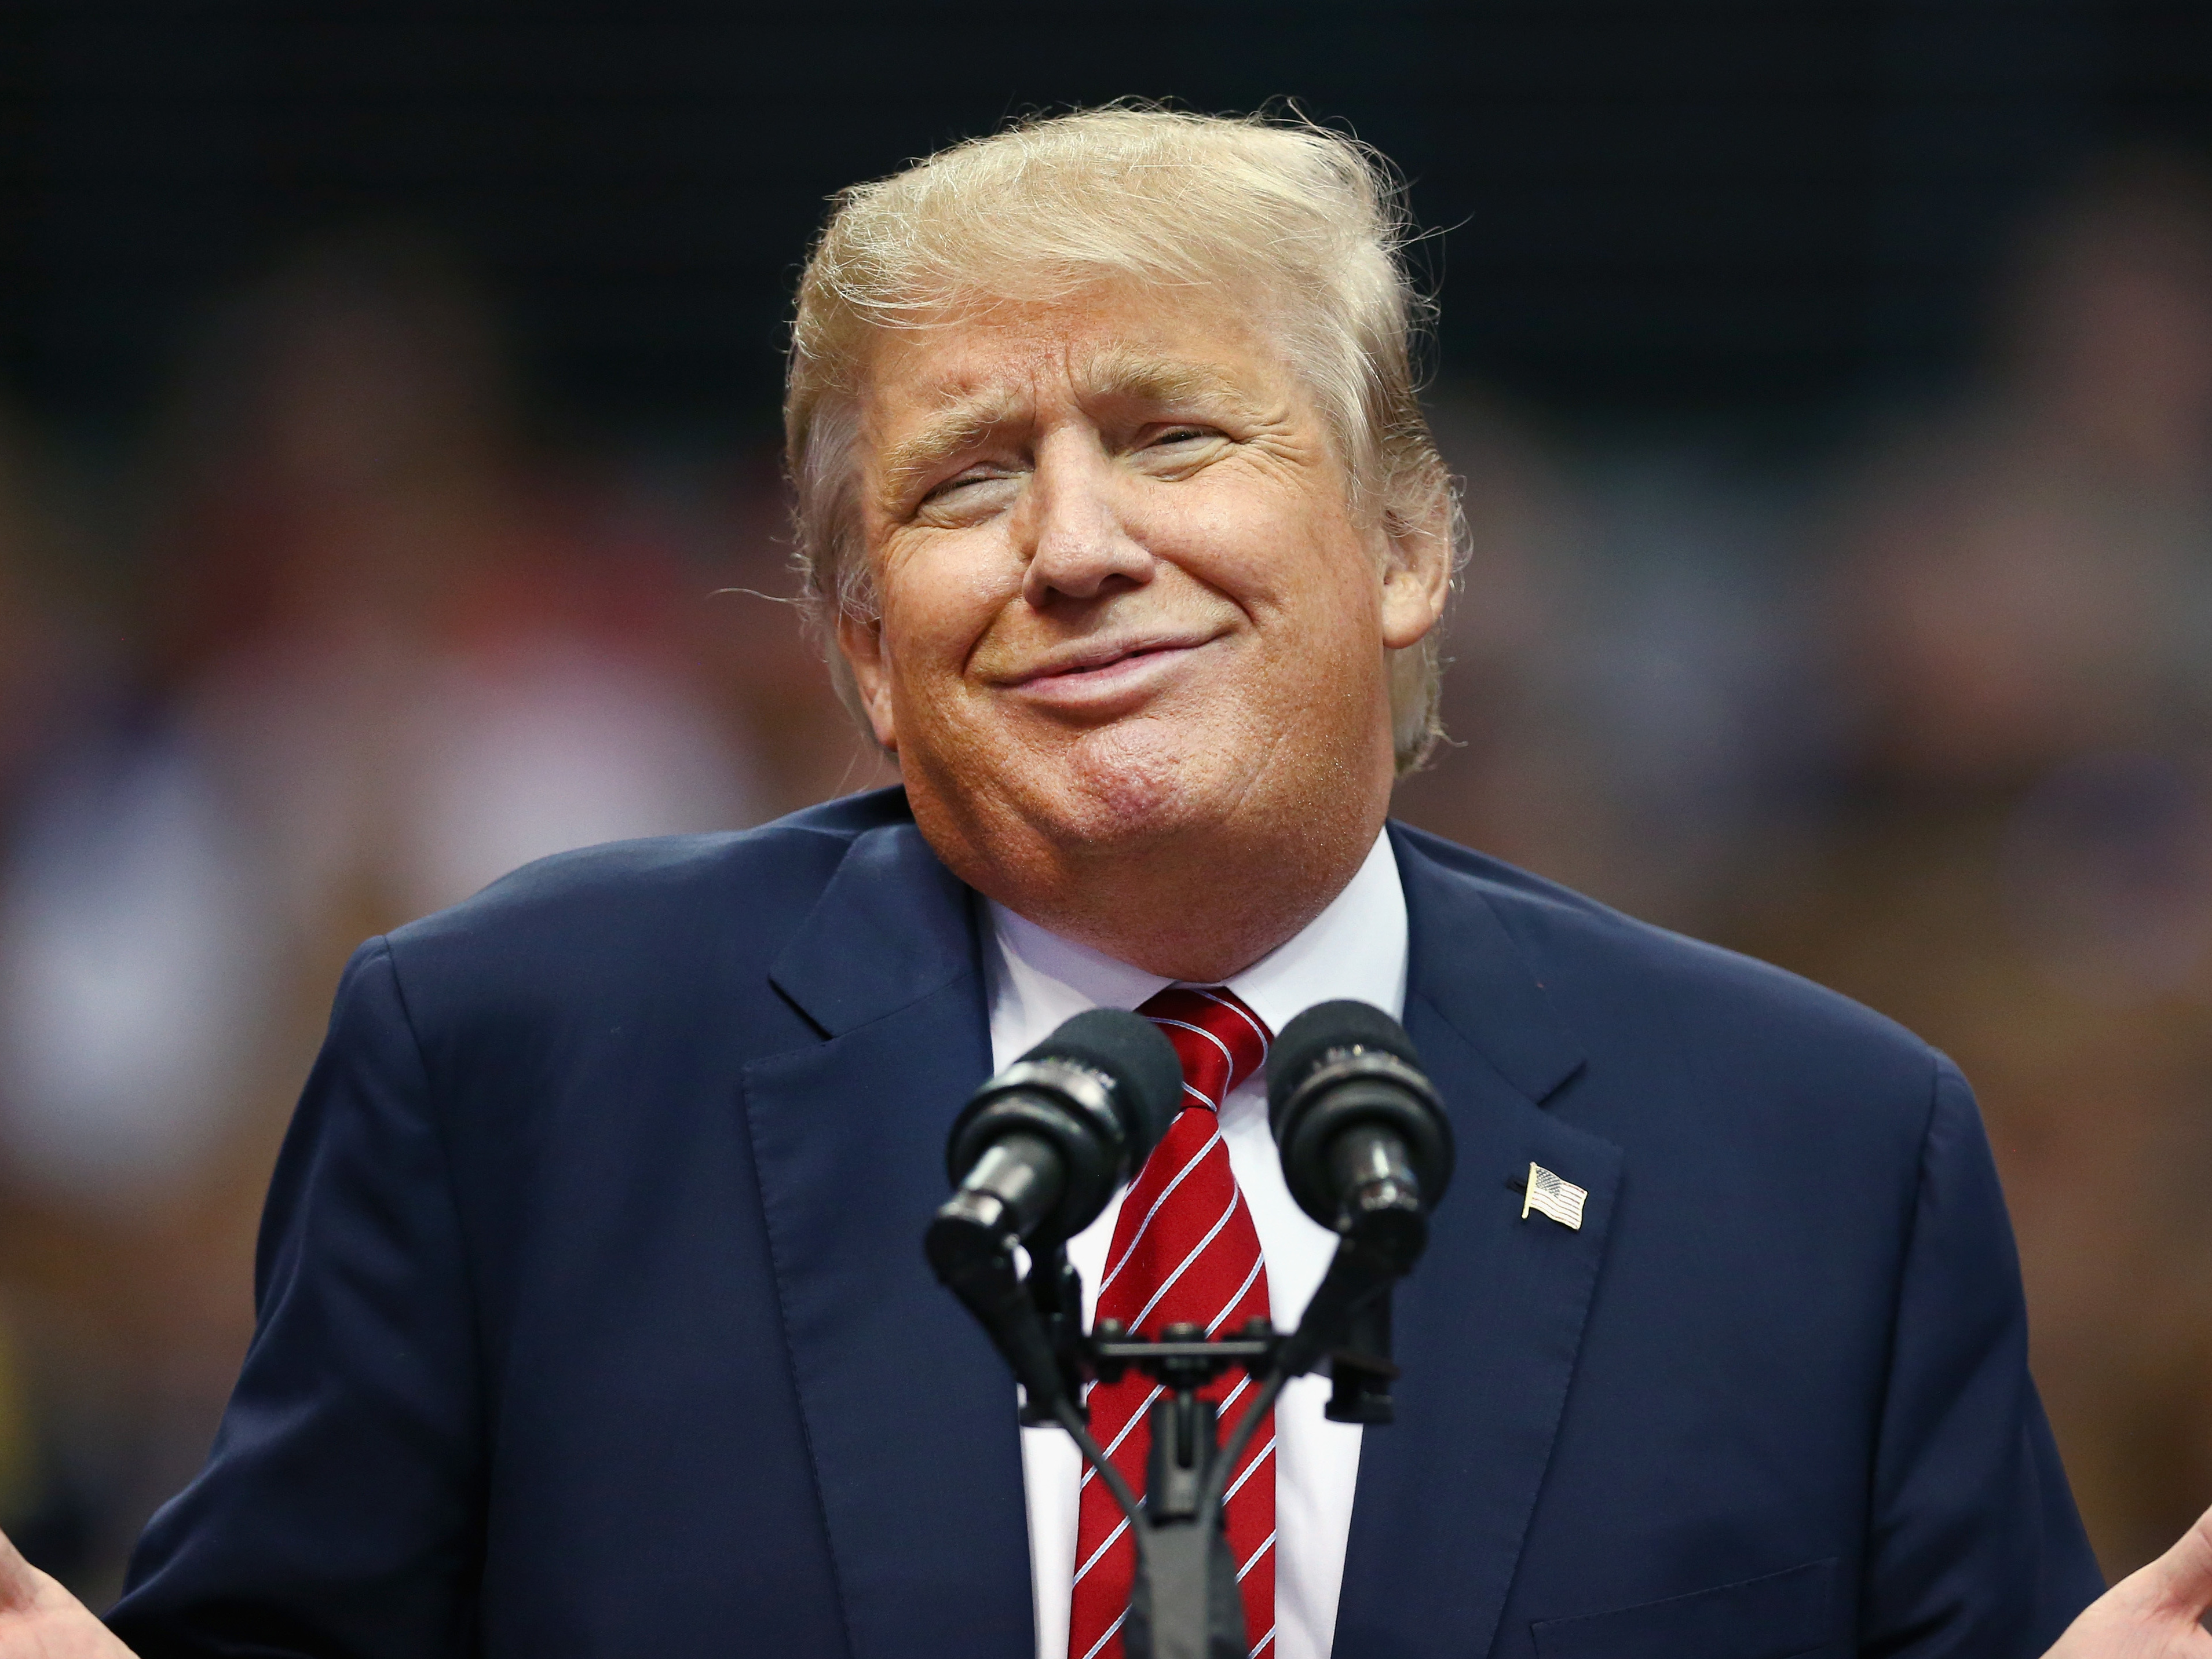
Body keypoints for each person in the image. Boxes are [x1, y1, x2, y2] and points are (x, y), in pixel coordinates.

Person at [0, 106, 2200, 1658]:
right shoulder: (521, 1070)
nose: (1074, 546)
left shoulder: (1819, 1147)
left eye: (1171, 436)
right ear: (863, 648)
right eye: (967, 482)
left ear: (1407, 545)